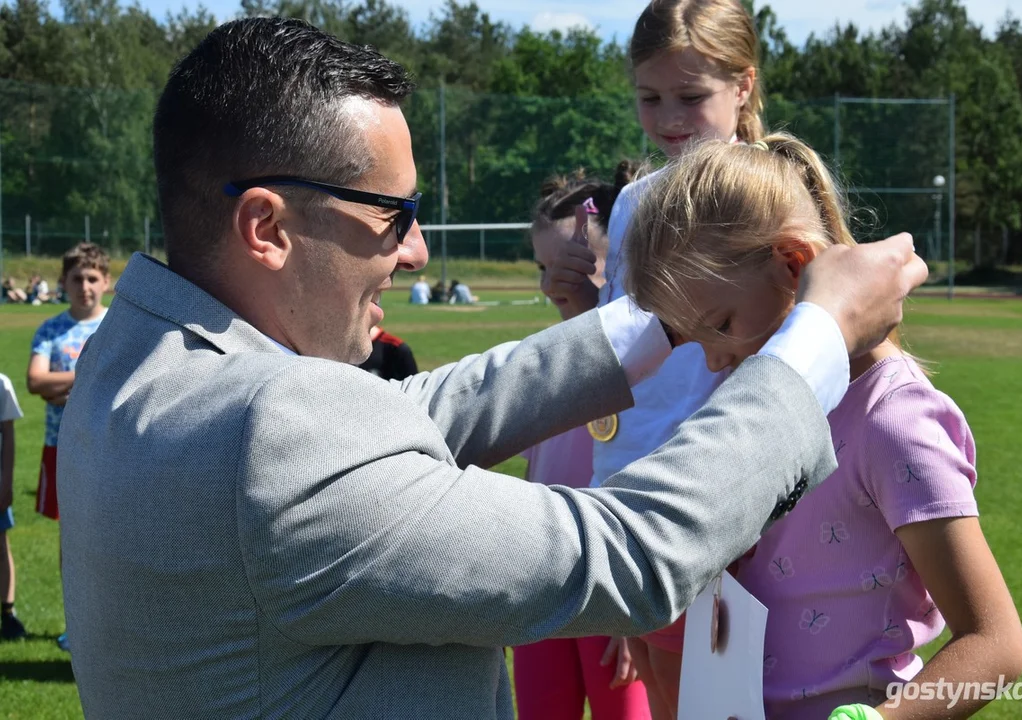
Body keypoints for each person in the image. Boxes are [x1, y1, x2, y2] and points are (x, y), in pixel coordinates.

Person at [56, 18, 925, 719]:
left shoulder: (139, 367)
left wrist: (676, 310)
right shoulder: (268, 440)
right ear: (267, 227)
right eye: (394, 216)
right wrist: (813, 334)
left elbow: (408, 416)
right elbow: (630, 554)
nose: (416, 251)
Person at [624, 134, 1022, 719]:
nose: (711, 361)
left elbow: (995, 644)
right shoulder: (745, 397)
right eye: (695, 339)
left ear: (793, 264)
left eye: (721, 323)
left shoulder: (895, 421)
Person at [538, 1, 772, 715]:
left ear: (743, 86)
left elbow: (788, 367)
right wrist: (580, 311)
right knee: (670, 703)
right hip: (641, 512)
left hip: (744, 517)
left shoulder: (769, 195)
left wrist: (738, 511)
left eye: (690, 96)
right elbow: (628, 368)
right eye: (649, 97)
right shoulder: (635, 204)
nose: (668, 116)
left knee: (731, 704)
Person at [514, 165, 651, 720]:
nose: (553, 285)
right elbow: (537, 475)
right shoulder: (545, 358)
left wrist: (634, 607)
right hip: (542, 583)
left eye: (572, 266)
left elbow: (645, 490)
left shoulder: (648, 364)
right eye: (545, 268)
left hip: (610, 589)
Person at [26, 242, 110, 651]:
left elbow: (128, 378)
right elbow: (35, 381)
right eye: (77, 278)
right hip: (62, 446)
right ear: (63, 282)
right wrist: (89, 380)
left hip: (111, 444)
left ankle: (112, 622)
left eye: (92, 278)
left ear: (107, 282)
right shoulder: (51, 330)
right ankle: (74, 624)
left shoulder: (117, 327)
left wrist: (70, 387)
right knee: (71, 541)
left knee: (114, 537)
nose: (85, 286)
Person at [0, 372, 25, 641]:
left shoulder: (2, 384)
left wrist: (6, 482)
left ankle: (7, 611)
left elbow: (8, 434)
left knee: (0, 546)